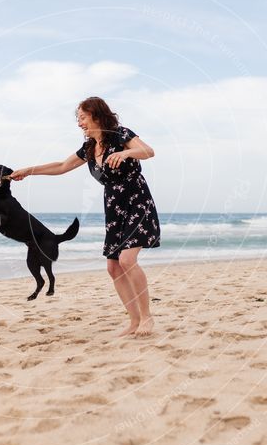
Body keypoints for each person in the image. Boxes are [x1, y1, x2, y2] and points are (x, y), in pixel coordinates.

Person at [10, 97, 161, 337]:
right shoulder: (90, 148)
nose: (79, 123)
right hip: (114, 208)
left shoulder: (120, 134)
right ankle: (134, 322)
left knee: (127, 260)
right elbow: (61, 166)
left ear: (96, 115)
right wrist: (28, 171)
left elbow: (148, 151)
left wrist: (126, 154)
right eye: (78, 118)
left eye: (82, 117)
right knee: (113, 267)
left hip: (137, 202)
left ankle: (147, 318)